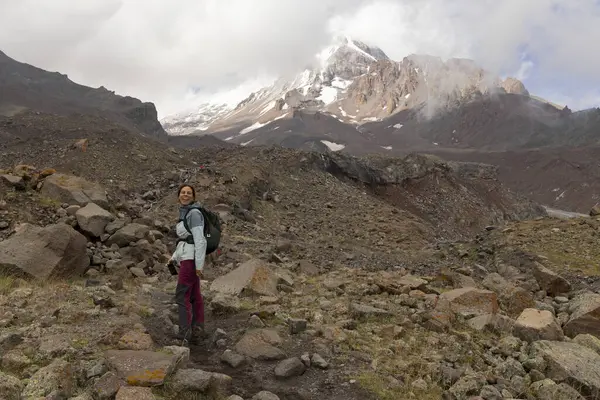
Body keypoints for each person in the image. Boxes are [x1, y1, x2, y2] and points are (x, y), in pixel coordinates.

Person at [169, 184, 207, 345]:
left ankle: (185, 332)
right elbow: (185, 241)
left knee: (182, 295)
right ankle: (197, 329)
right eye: (183, 192)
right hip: (188, 257)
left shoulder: (194, 214)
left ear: (193, 196)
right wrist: (173, 258)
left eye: (189, 193)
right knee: (194, 295)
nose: (185, 195)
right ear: (178, 196)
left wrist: (199, 266)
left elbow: (200, 240)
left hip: (191, 261)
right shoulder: (185, 213)